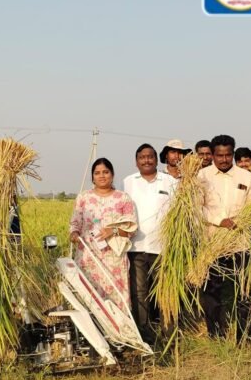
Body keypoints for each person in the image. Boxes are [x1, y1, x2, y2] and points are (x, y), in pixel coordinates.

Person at [198, 134, 251, 340]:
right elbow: (195, 208)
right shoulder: (202, 176)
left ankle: (245, 337)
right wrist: (219, 220)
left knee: (245, 289)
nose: (224, 160)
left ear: (233, 154)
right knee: (211, 291)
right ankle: (216, 335)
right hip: (212, 243)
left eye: (228, 155)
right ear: (213, 155)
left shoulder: (246, 177)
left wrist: (240, 220)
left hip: (241, 242)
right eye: (219, 155)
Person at [123, 144, 176, 342]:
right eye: (142, 157)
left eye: (150, 157)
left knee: (165, 291)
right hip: (136, 247)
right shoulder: (128, 182)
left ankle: (168, 333)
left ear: (156, 159)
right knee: (140, 293)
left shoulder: (170, 182)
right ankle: (145, 335)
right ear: (136, 161)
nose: (146, 160)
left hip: (163, 246)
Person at [69, 158, 138, 312]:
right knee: (89, 294)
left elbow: (131, 228)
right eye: (97, 173)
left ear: (112, 175)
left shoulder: (123, 198)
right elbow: (75, 223)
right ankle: (91, 332)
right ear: (92, 177)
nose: (102, 176)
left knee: (115, 295)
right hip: (88, 256)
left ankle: (119, 332)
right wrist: (74, 234)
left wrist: (112, 231)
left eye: (105, 172)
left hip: (114, 258)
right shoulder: (83, 198)